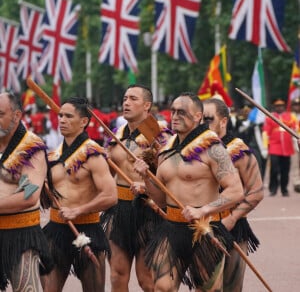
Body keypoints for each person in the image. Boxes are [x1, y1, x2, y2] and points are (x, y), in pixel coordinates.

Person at [133, 92, 244, 291]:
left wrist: (203, 211)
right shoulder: (165, 150)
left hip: (205, 229)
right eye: (173, 111)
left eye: (182, 112)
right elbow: (161, 201)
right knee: (162, 287)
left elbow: (236, 191)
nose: (174, 116)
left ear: (197, 117)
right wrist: (147, 178)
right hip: (171, 228)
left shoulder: (213, 148)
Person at [41, 97, 117, 292]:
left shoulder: (94, 155)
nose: (62, 120)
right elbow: (43, 198)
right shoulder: (53, 156)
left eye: (68, 116)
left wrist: (78, 210)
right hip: (56, 230)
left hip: (88, 230)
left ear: (84, 121)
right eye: (60, 116)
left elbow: (110, 196)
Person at [102, 84, 171, 292]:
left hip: (148, 208)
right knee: (117, 274)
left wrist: (147, 183)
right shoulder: (116, 136)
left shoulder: (159, 136)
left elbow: (170, 177)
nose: (126, 102)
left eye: (133, 99)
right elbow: (108, 176)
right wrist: (103, 162)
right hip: (119, 210)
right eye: (125, 98)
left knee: (146, 279)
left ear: (147, 105)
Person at [203, 98, 264, 292]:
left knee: (232, 288)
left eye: (208, 119)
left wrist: (232, 218)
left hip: (233, 227)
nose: (203, 124)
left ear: (223, 121)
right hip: (202, 226)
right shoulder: (195, 150)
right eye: (200, 119)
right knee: (206, 287)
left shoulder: (239, 151)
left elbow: (256, 191)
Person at [0, 92, 53, 291]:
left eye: (0, 114)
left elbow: (29, 196)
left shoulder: (30, 149)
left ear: (16, 116)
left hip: (20, 234)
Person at [263, 98, 298, 196]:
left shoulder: (290, 116)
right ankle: (273, 189)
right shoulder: (270, 117)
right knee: (274, 169)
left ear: (284, 106)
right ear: (275, 107)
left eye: (281, 106)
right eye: (277, 106)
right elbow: (266, 132)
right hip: (274, 147)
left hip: (287, 147)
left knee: (285, 170)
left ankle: (284, 189)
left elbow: (295, 128)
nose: (280, 107)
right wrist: (265, 147)